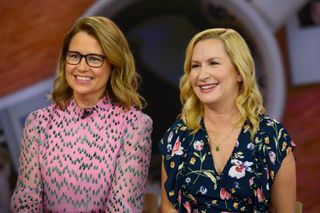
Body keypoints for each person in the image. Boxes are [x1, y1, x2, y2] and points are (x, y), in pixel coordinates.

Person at [11, 16, 153, 212]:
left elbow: (122, 208)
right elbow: (26, 200)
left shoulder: (135, 125)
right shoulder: (38, 122)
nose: (81, 67)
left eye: (94, 58)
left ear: (113, 64)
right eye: (74, 56)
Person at [159, 28, 296, 212]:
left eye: (213, 63)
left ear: (239, 72)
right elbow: (169, 208)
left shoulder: (271, 136)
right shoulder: (178, 136)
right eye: (195, 66)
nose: (202, 75)